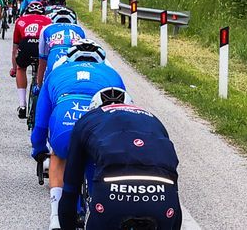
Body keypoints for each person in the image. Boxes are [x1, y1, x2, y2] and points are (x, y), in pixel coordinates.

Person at [33, 41, 127, 230]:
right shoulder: (112, 74)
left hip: (65, 125)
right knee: (97, 163)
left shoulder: (56, 73)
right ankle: (97, 210)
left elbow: (41, 122)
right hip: (98, 130)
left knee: (58, 157)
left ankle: (55, 218)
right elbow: (125, 112)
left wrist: (38, 148)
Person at [60, 88, 181, 230]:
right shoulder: (154, 120)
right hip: (161, 192)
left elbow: (70, 187)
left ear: (94, 107)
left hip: (112, 195)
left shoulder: (87, 120)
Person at [12, 0, 53, 119]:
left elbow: (15, 47)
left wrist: (14, 68)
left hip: (26, 44)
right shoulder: (48, 20)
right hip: (40, 46)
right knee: (44, 68)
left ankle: (22, 104)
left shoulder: (20, 20)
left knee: (21, 69)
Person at [36, 7, 86, 88]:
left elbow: (42, 60)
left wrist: (39, 86)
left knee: (46, 88)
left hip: (54, 59)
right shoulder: (80, 29)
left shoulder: (46, 28)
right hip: (74, 62)